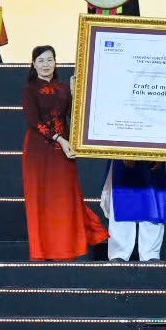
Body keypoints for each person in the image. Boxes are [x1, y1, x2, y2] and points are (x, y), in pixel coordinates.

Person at [20, 45, 109, 260]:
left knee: (64, 197)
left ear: (55, 62)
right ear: (33, 64)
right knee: (41, 197)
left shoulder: (63, 87)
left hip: (64, 149)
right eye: (41, 61)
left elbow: (72, 115)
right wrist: (60, 139)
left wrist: (75, 93)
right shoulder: (29, 90)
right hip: (39, 149)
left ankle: (65, 247)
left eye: (49, 60)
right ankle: (43, 249)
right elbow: (34, 122)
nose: (46, 64)